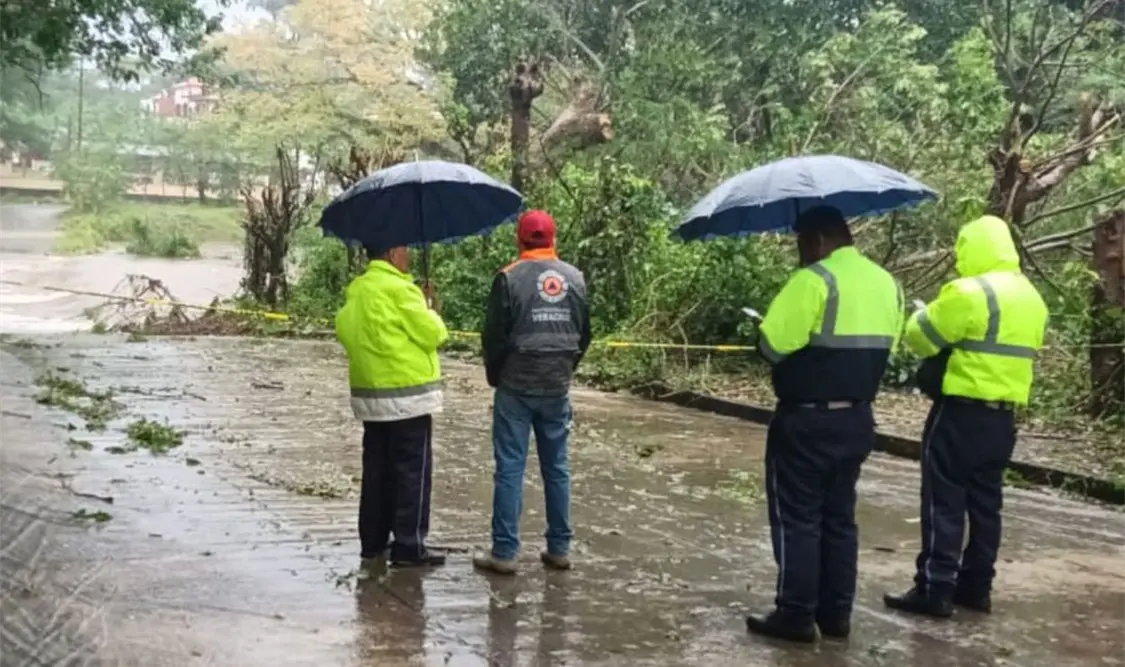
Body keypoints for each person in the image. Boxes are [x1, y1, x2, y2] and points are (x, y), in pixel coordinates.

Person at [746, 206, 904, 643]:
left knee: (797, 518)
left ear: (816, 241)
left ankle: (795, 613)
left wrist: (763, 330)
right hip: (857, 419)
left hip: (806, 420)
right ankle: (836, 615)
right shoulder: (888, 283)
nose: (799, 253)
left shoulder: (813, 281)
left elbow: (773, 346)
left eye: (800, 244)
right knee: (839, 518)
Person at [884, 215, 1048, 618]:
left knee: (944, 500)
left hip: (959, 415)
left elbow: (921, 337)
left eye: (961, 249)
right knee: (987, 505)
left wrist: (923, 315)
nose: (958, 259)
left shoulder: (968, 291)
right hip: (1003, 420)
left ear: (973, 247)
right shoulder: (1032, 298)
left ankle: (934, 588)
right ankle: (977, 588)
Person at [472, 210, 591, 575]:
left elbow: (494, 337)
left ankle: (505, 553)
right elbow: (584, 334)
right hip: (557, 386)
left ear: (519, 241)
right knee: (557, 467)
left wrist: (495, 377)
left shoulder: (508, 278)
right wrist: (566, 370)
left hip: (516, 386)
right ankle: (559, 549)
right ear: (554, 241)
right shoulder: (576, 279)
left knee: (510, 467)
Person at [336, 245, 449, 568]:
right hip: (408, 400)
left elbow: (344, 331)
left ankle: (372, 543)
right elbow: (434, 334)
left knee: (376, 470)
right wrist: (428, 307)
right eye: (404, 249)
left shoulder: (357, 292)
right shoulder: (402, 290)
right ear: (391, 253)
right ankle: (409, 545)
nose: (409, 255)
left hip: (371, 400)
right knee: (413, 472)